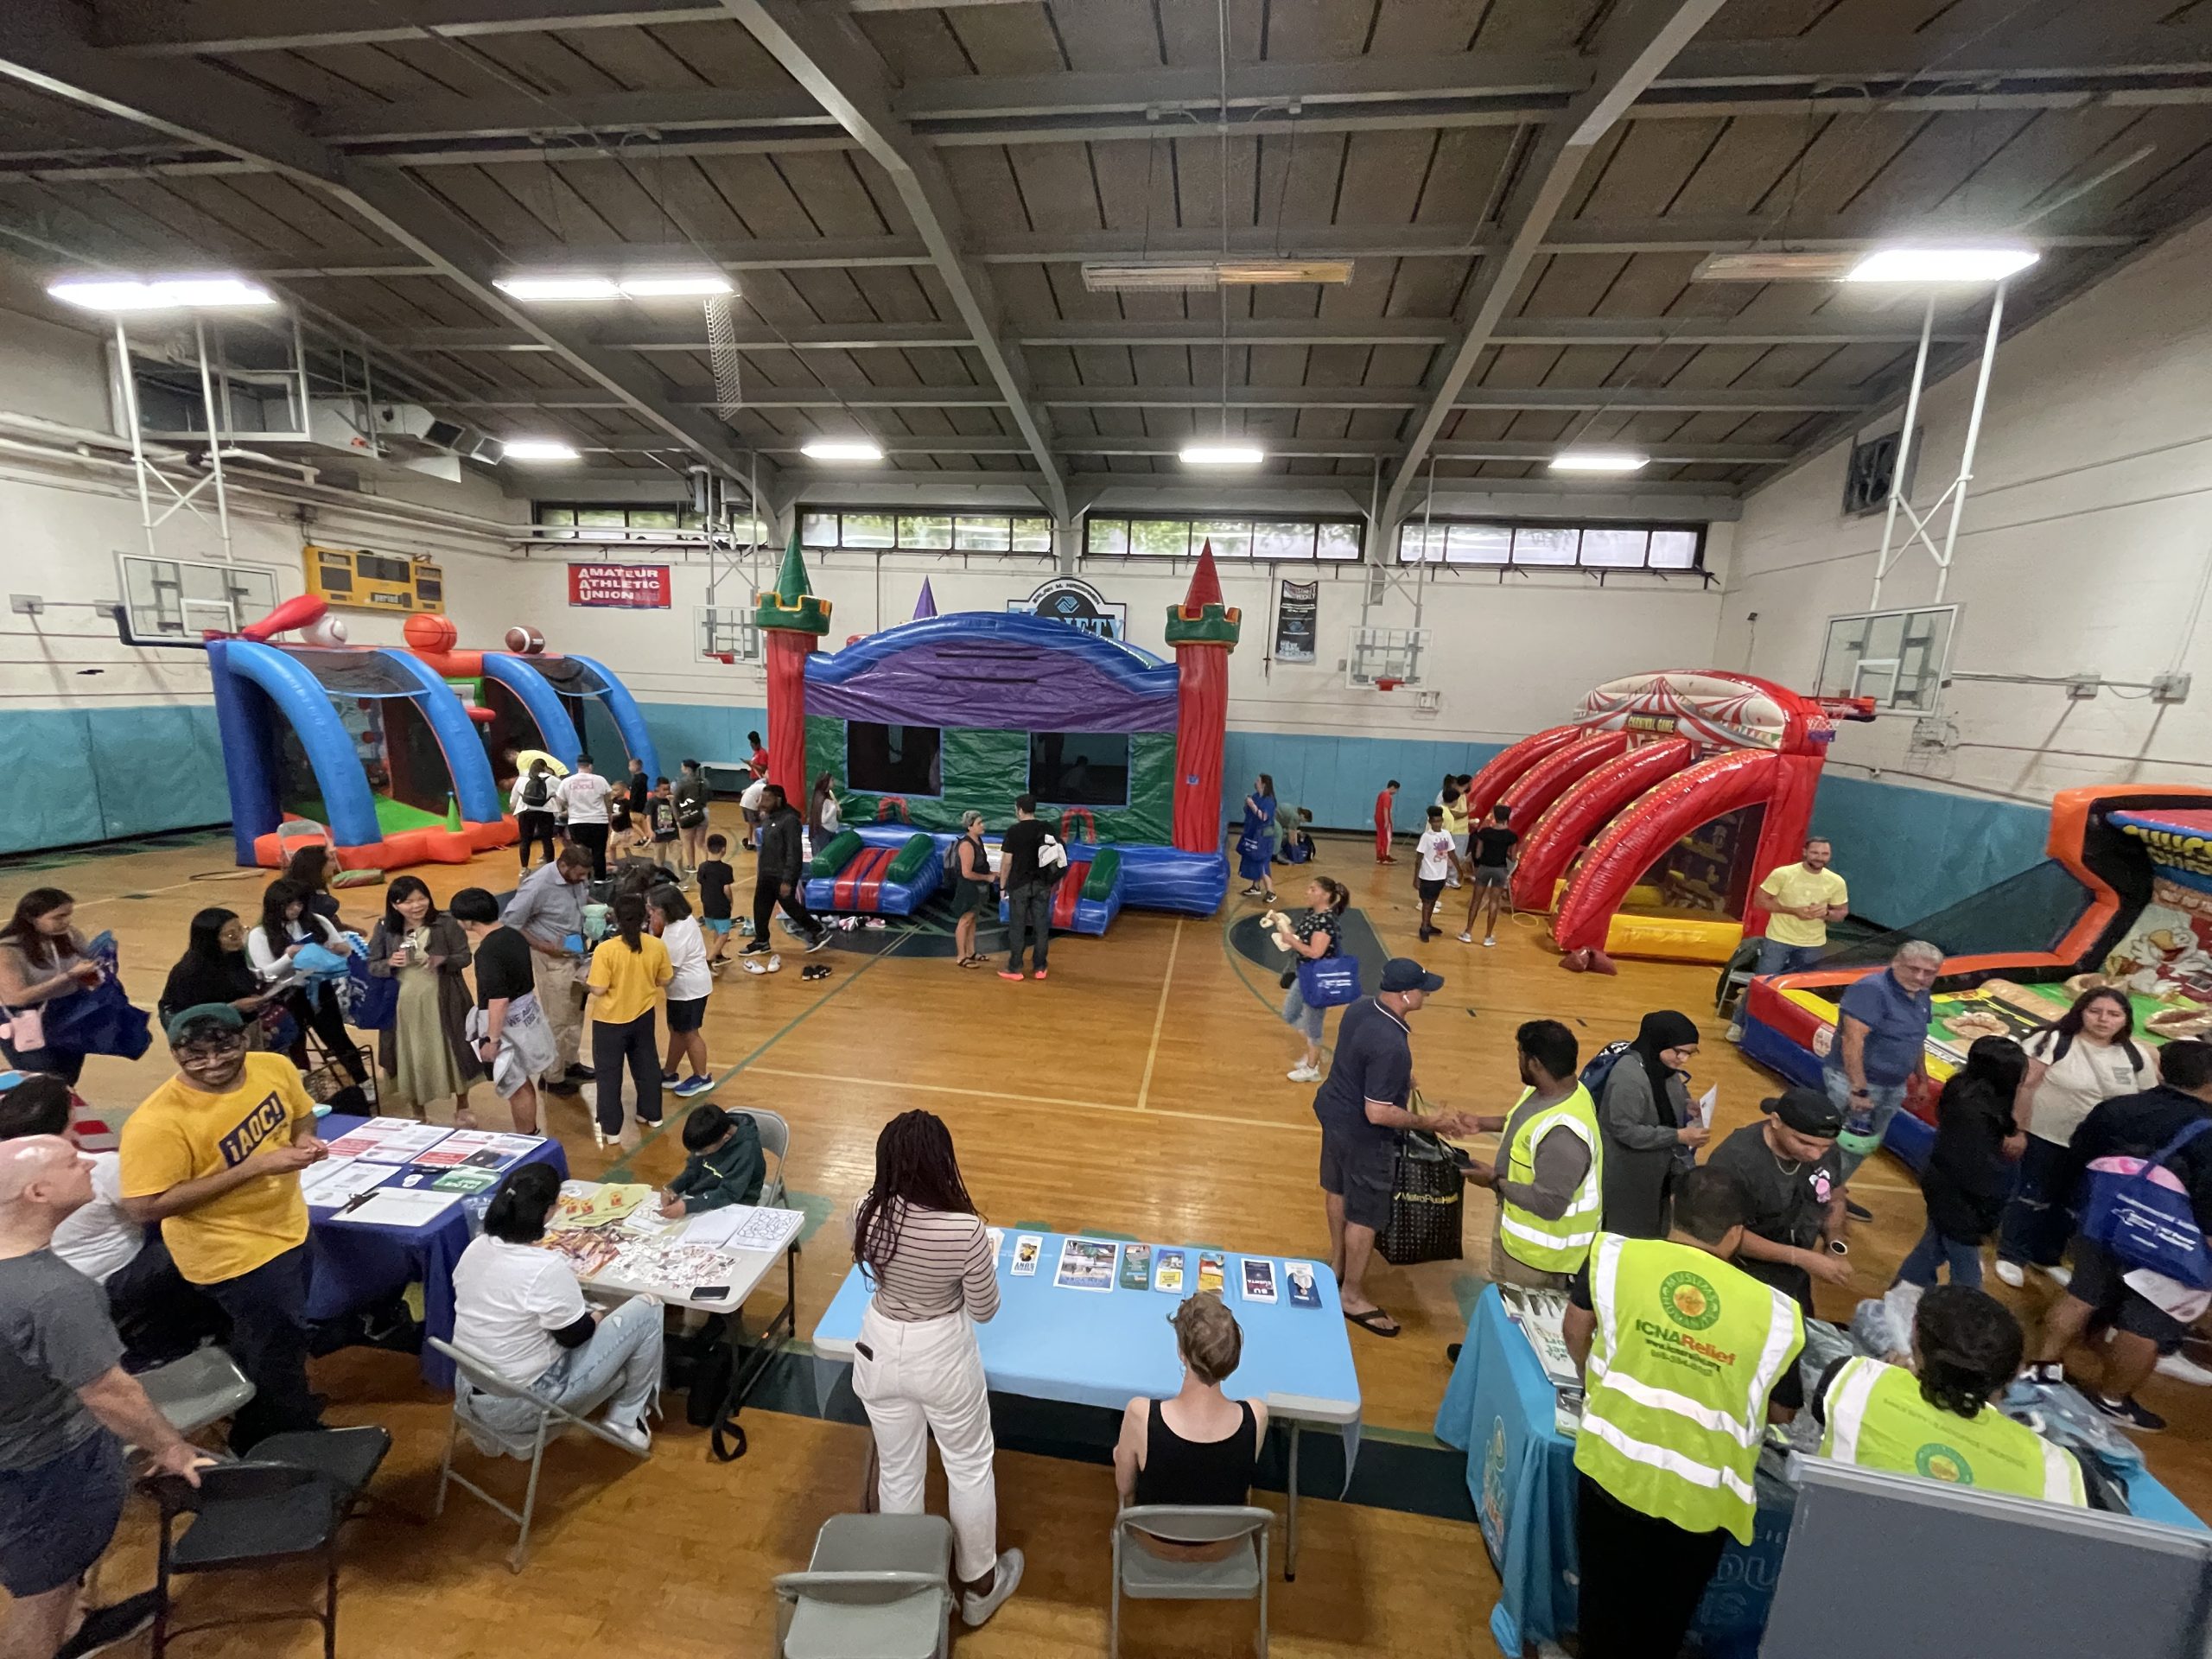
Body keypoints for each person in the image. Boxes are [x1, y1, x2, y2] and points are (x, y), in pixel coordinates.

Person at [1562, 1166, 1805, 1659]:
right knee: (1666, 1618)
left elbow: (1573, 1330)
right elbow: (1782, 1411)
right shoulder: (1777, 1311)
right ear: (1737, 1234)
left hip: (1613, 1471)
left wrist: (1599, 1381)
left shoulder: (1615, 1256)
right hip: (1705, 1495)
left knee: (1603, 1602)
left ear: (1673, 1209)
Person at [0, 1135, 211, 1659]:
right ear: (39, 1192)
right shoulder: (52, 1294)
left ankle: (77, 1625)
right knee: (38, 1598)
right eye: (73, 1162)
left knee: (45, 1576)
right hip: (43, 1468)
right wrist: (172, 1449)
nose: (90, 1161)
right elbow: (108, 1392)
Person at [118, 1004, 329, 1451]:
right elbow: (144, 1207)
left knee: (281, 1338)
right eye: (195, 1056)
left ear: (246, 1039)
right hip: (232, 1254)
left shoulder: (274, 1067)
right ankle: (284, 1442)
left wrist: (302, 1139)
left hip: (289, 1226)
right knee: (275, 1351)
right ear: (175, 1053)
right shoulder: (158, 1122)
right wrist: (253, 1168)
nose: (212, 1064)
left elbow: (302, 1115)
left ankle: (273, 1414)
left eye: (224, 1050)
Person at [850, 1110, 1022, 1629]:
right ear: (941, 1162)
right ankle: (979, 1586)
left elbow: (879, 1270)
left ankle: (907, 1582)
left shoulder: (864, 1210)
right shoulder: (965, 1230)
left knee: (899, 1469)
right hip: (941, 1355)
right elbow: (986, 1309)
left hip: (878, 1346)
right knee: (968, 1465)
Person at [2028, 1038, 2212, 1434]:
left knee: (2082, 1294)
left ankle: (2041, 1370)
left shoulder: (2118, 1107)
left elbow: (2078, 1155)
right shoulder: (2209, 1134)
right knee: (2146, 1324)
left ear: (2162, 1069)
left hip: (2104, 1221)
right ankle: (2111, 1401)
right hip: (2174, 1244)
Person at [0, 1077, 225, 1373]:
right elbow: (156, 1205)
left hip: (54, 1283)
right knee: (194, 1238)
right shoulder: (98, 1169)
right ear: (70, 1116)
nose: (84, 1166)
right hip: (112, 1281)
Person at [451, 1162, 664, 1454]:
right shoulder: (545, 1267)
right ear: (550, 1210)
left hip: (471, 1388)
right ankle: (626, 1418)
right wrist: (598, 1315)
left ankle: (625, 1409)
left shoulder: (476, 1247)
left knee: (562, 1316)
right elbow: (574, 1336)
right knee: (649, 1309)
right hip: (525, 1401)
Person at [1817, 1286, 2085, 1505]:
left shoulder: (1857, 1380)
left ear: (1915, 1343)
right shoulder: (2057, 1467)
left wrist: (1888, 1378)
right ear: (2015, 1372)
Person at [1309, 958, 1446, 1338]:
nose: (1427, 993)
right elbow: (1379, 1113)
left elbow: (1356, 1056)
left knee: (1335, 1188)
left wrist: (1399, 1077)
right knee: (1365, 1213)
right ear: (1404, 995)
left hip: (1333, 1113)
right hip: (1362, 1134)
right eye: (1423, 989)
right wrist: (1428, 1121)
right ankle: (1351, 1295)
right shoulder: (1392, 1046)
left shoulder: (1360, 1007)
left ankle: (1336, 1265)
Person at [1996, 986, 2158, 1288]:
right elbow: (2024, 1087)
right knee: (2032, 1196)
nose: (2103, 1019)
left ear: (2125, 1019)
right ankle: (2012, 1254)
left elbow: (2145, 1102)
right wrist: (2017, 1129)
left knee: (2072, 1205)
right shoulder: (2053, 1041)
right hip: (2046, 1136)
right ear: (2080, 1011)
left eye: (2113, 1014)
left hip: (2098, 1149)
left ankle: (2047, 1256)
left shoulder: (2135, 1055)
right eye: (2095, 1011)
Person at [1112, 1294, 1267, 1554]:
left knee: (1121, 1454)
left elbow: (1124, 1487)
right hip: (1224, 1544)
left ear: (1181, 1353)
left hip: (1154, 1542)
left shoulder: (1140, 1414)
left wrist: (1121, 1455)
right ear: (1233, 1360)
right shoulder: (1257, 1415)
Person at [1457, 1019, 1603, 1292]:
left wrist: (1493, 1180)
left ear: (1535, 1063)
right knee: (1498, 1304)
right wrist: (1481, 1123)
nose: (1519, 1062)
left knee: (1517, 1325)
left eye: (1520, 1055)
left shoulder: (1564, 1135)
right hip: (1516, 1233)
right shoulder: (1550, 1091)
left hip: (1540, 1259)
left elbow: (1549, 1203)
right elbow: (1523, 1121)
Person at [1702, 1085, 1850, 1315]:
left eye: (1825, 1147)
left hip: (1795, 1272)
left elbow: (1836, 1196)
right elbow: (1721, 1231)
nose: (1816, 1155)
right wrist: (1800, 1257)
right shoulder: (1735, 1160)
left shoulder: (1824, 1147)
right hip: (1740, 1273)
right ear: (1776, 1121)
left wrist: (1835, 1245)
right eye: (1804, 1143)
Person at [1898, 1035, 2026, 1294]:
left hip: (1949, 1189)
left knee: (1931, 1249)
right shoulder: (1974, 1113)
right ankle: (1968, 1314)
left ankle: (1901, 1292)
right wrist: (1990, 1210)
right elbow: (1977, 1170)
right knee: (1966, 1264)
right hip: (1961, 1198)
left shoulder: (1963, 1091)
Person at [1822, 939, 1942, 1205]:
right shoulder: (1871, 991)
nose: (1920, 977)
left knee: (1860, 1145)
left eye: (1929, 973)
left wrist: (1921, 1080)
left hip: (1893, 1086)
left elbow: (1915, 1038)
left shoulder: (1921, 994)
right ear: (1896, 963)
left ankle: (1832, 1191)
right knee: (1828, 1143)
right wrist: (1859, 1089)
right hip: (1854, 1084)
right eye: (1913, 969)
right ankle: (1814, 1195)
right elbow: (1853, 1040)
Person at [246, 879, 369, 1114]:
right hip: (286, 995)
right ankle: (304, 1092)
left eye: (299, 904)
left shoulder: (317, 921)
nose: (295, 910)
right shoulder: (260, 934)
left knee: (337, 1037)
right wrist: (289, 956)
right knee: (295, 1043)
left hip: (320, 987)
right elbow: (266, 972)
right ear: (274, 906)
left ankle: (363, 1081)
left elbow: (343, 948)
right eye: (289, 906)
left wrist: (334, 950)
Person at [367, 876, 480, 1127]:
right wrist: (389, 963)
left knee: (452, 1049)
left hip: (444, 997)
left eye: (421, 899)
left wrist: (442, 960)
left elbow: (464, 957)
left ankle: (463, 1105)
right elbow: (372, 964)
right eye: (408, 902)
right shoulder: (385, 927)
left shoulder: (446, 923)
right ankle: (417, 1111)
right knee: (411, 1053)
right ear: (395, 905)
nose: (417, 906)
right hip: (403, 1005)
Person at [448, 888, 555, 1136]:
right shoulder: (513, 935)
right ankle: (530, 1133)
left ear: (468, 921)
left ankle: (526, 1137)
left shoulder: (487, 952)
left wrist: (491, 1040)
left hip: (507, 1025)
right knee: (523, 1082)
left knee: (516, 1085)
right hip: (528, 1016)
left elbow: (498, 1000)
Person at [1595, 1010, 1707, 1239]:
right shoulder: (1629, 1077)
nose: (1683, 1060)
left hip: (1654, 1172)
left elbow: (1667, 1095)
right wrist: (1679, 1137)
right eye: (1678, 1052)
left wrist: (1687, 1106)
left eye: (1689, 1054)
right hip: (1626, 1176)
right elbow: (1624, 1129)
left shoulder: (1662, 1067)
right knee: (1623, 1233)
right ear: (1658, 1042)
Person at [503, 844, 594, 1100]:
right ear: (563, 866)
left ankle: (570, 1063)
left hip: (576, 949)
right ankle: (552, 1077)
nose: (583, 879)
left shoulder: (576, 877)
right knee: (558, 1017)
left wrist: (599, 908)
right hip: (551, 957)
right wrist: (543, 946)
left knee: (576, 1011)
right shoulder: (538, 885)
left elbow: (581, 897)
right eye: (579, 874)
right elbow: (511, 921)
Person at [585, 893, 672, 1149]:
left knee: (609, 1075)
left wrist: (587, 983)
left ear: (615, 919)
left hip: (609, 1022)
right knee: (647, 1066)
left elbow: (599, 989)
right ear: (645, 916)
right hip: (643, 1015)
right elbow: (665, 979)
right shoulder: (656, 945)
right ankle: (652, 1115)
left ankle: (612, 1131)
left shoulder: (606, 950)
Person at [0, 889, 102, 1085]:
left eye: (68, 915)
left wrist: (93, 976)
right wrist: (69, 976)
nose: (66, 922)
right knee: (41, 1081)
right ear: (31, 918)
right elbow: (17, 998)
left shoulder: (71, 936)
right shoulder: (7, 950)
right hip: (26, 1018)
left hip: (68, 1014)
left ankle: (61, 1114)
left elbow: (84, 970)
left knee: (68, 1079)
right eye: (58, 917)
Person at [745, 784, 827, 971]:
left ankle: (817, 930)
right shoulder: (769, 818)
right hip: (766, 872)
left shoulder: (790, 821)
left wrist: (788, 880)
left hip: (781, 874)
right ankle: (762, 941)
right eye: (761, 798)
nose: (762, 803)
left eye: (766, 799)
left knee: (791, 907)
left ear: (778, 800)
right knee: (760, 907)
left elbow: (793, 852)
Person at [1279, 876, 1350, 1084]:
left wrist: (1292, 941)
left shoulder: (1326, 920)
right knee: (1290, 1012)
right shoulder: (1312, 914)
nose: (1307, 892)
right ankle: (1314, 1053)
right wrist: (1281, 924)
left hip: (1318, 979)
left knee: (1313, 1022)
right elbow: (1299, 937)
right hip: (1305, 974)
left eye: (1312, 889)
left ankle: (1312, 1067)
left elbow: (1315, 952)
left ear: (1326, 895)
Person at [649, 885, 713, 1098]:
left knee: (690, 1033)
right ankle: (669, 1072)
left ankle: (702, 1077)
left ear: (665, 910)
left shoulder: (677, 932)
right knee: (677, 1030)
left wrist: (645, 983)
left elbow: (667, 971)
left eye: (653, 909)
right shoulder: (681, 921)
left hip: (689, 990)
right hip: (683, 989)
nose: (650, 913)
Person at [1753, 837, 1849, 976]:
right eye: (1815, 853)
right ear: (1805, 852)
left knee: (1799, 989)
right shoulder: (1783, 874)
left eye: (1825, 854)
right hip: (1778, 939)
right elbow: (1760, 901)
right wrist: (1793, 911)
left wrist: (1826, 913)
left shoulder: (1836, 882)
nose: (1820, 858)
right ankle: (1751, 999)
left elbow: (1842, 912)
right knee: (1763, 982)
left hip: (1813, 944)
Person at [157, 907, 265, 1031]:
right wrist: (233, 1007)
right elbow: (190, 1015)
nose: (239, 937)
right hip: (198, 1029)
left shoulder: (235, 955)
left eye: (241, 929)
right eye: (231, 935)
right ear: (211, 939)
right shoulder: (190, 973)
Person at [656, 1104, 764, 1218]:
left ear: (725, 1138)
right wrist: (673, 1188)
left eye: (704, 1151)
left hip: (736, 1201)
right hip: (704, 1195)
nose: (697, 1155)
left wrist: (688, 1206)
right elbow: (692, 1170)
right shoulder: (708, 1135)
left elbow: (730, 1193)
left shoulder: (747, 1149)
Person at [998, 795, 1052, 982]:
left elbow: (1007, 861)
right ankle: (1040, 967)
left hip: (1019, 884)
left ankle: (1015, 968)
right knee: (1041, 926)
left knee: (1017, 926)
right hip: (1042, 884)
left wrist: (1002, 885)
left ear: (1019, 810)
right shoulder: (1046, 828)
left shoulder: (1014, 831)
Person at [1459, 803, 1519, 947]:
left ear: (1494, 816)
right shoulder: (1511, 836)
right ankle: (1487, 936)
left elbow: (1478, 853)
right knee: (1494, 903)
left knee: (1476, 901)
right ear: (1507, 818)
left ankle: (1468, 932)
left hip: (1484, 868)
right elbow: (1512, 857)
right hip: (1500, 870)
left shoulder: (1485, 833)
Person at [554, 753, 614, 880]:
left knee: (581, 852)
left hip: (577, 821)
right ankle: (600, 878)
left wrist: (568, 807)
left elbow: (559, 800)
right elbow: (608, 799)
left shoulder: (567, 782)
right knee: (598, 852)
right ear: (591, 766)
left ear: (577, 766)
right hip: (598, 821)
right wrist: (609, 814)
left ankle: (583, 877)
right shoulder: (600, 780)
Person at [951, 810, 996, 970]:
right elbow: (967, 873)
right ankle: (961, 956)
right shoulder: (966, 845)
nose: (983, 825)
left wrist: (993, 874)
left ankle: (970, 952)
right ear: (970, 827)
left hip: (979, 889)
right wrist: (988, 878)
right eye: (979, 823)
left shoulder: (978, 841)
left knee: (973, 919)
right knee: (965, 920)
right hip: (968, 888)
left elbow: (981, 866)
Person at [1413, 804, 1458, 943]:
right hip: (1427, 875)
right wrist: (1416, 878)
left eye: (1439, 821)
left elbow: (1451, 852)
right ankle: (1424, 927)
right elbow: (1419, 857)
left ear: (1442, 820)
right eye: (1435, 821)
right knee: (1426, 901)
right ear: (1430, 822)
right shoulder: (1426, 837)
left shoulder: (1446, 835)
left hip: (1440, 875)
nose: (1437, 824)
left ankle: (1429, 923)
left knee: (1433, 900)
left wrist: (1459, 869)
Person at [283, 844, 346, 932]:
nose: (335, 864)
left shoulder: (315, 887)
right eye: (331, 860)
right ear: (317, 865)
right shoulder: (302, 896)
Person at [696, 834, 737, 969]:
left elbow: (700, 886)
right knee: (724, 933)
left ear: (707, 848)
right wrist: (730, 901)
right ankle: (710, 958)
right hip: (720, 905)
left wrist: (703, 899)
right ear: (724, 849)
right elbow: (726, 888)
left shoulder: (702, 867)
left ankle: (718, 955)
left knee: (716, 929)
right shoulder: (726, 869)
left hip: (707, 905)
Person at [512, 758, 559, 873]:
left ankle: (524, 868)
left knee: (525, 841)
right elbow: (561, 795)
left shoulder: (522, 779)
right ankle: (550, 867)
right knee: (547, 840)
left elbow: (514, 799)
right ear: (544, 767)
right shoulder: (552, 779)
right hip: (545, 812)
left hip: (525, 811)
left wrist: (515, 811)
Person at [1236, 776, 1277, 902]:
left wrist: (1252, 805)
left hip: (1264, 836)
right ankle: (1256, 886)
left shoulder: (1269, 801)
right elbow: (1248, 812)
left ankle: (1271, 891)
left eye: (1258, 781)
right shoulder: (1255, 796)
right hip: (1253, 833)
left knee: (1262, 861)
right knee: (1253, 858)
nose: (1255, 782)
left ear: (1264, 784)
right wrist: (1248, 804)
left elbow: (1264, 817)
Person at [674, 759, 712, 876]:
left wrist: (678, 818)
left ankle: (691, 865)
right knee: (701, 842)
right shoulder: (705, 781)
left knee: (688, 841)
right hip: (703, 812)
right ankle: (707, 865)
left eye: (682, 767)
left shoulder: (682, 783)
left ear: (687, 768)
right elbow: (710, 797)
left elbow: (676, 800)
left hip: (687, 813)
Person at [1440, 785, 1469, 891]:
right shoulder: (1449, 817)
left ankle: (1429, 902)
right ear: (1455, 801)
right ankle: (1428, 903)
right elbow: (1448, 837)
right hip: (1440, 848)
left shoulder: (1438, 810)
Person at [623, 757, 652, 855]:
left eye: (630, 765)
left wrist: (631, 806)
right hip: (642, 803)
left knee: (632, 822)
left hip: (636, 805)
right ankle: (646, 838)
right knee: (641, 823)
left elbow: (635, 794)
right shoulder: (643, 777)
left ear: (636, 766)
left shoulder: (637, 779)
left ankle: (644, 837)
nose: (629, 767)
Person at [648, 777, 680, 867]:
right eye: (664, 789)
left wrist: (673, 804)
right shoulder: (652, 802)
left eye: (668, 789)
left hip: (673, 833)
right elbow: (648, 817)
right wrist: (650, 831)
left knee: (677, 857)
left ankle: (678, 877)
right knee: (659, 858)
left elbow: (677, 818)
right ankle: (658, 876)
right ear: (657, 788)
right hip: (658, 834)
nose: (667, 792)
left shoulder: (672, 800)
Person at [738, 772, 770, 853]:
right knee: (757, 825)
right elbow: (760, 801)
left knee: (750, 823)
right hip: (751, 805)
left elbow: (744, 792)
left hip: (743, 803)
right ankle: (757, 844)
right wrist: (762, 811)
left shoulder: (757, 784)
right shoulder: (765, 788)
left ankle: (749, 842)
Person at [1374, 779, 1399, 864]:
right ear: (1392, 787)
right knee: (1388, 838)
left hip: (1378, 818)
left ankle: (1379, 857)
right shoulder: (1387, 796)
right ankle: (1385, 856)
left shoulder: (1381, 794)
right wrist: (1387, 821)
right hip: (1384, 819)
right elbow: (1386, 808)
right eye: (1396, 790)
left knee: (1380, 837)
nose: (1396, 792)